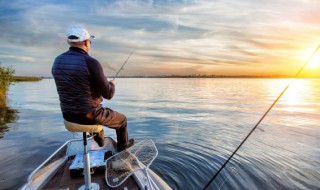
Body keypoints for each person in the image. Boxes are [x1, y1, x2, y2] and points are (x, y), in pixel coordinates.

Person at [52, 26, 134, 151]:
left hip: (68, 115)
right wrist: (112, 84)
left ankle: (99, 138)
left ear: (69, 42)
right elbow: (108, 94)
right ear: (86, 42)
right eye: (90, 41)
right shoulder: (91, 62)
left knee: (95, 110)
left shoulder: (57, 61)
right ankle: (123, 150)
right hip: (89, 116)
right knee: (122, 120)